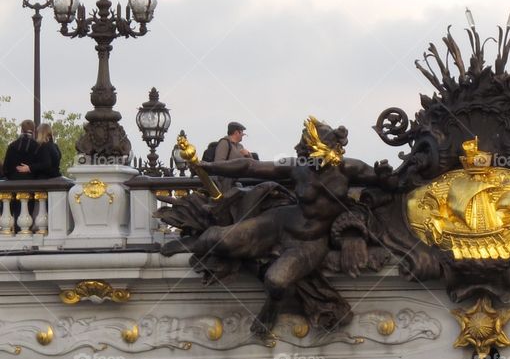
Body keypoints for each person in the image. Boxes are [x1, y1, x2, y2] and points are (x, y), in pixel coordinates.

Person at [163, 118, 394, 338]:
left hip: (310, 241)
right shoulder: (298, 166)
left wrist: (384, 177)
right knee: (217, 238)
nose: (300, 153)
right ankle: (192, 242)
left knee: (276, 280)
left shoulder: (350, 169)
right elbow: (251, 167)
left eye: (305, 149)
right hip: (281, 221)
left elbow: (388, 186)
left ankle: (272, 307)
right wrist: (208, 165)